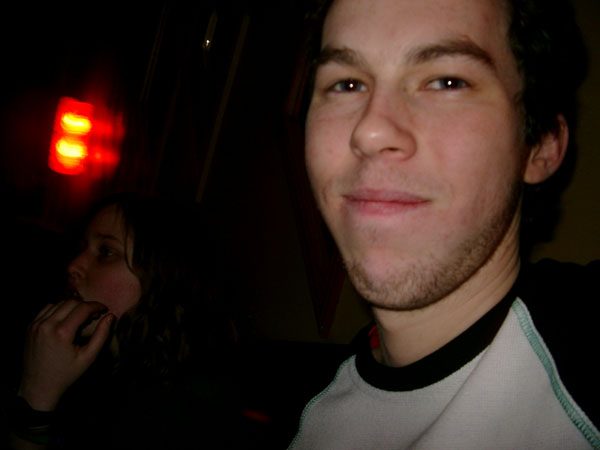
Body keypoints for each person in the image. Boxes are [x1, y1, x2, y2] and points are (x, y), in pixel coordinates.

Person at [289, 0, 598, 448]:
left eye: (446, 82)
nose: (370, 131)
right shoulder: (303, 416)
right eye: (346, 84)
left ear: (540, 146)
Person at [3, 192, 242, 449]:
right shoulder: (96, 380)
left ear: (162, 276)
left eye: (106, 252)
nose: (74, 265)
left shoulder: (187, 409)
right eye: (82, 247)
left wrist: (38, 394)